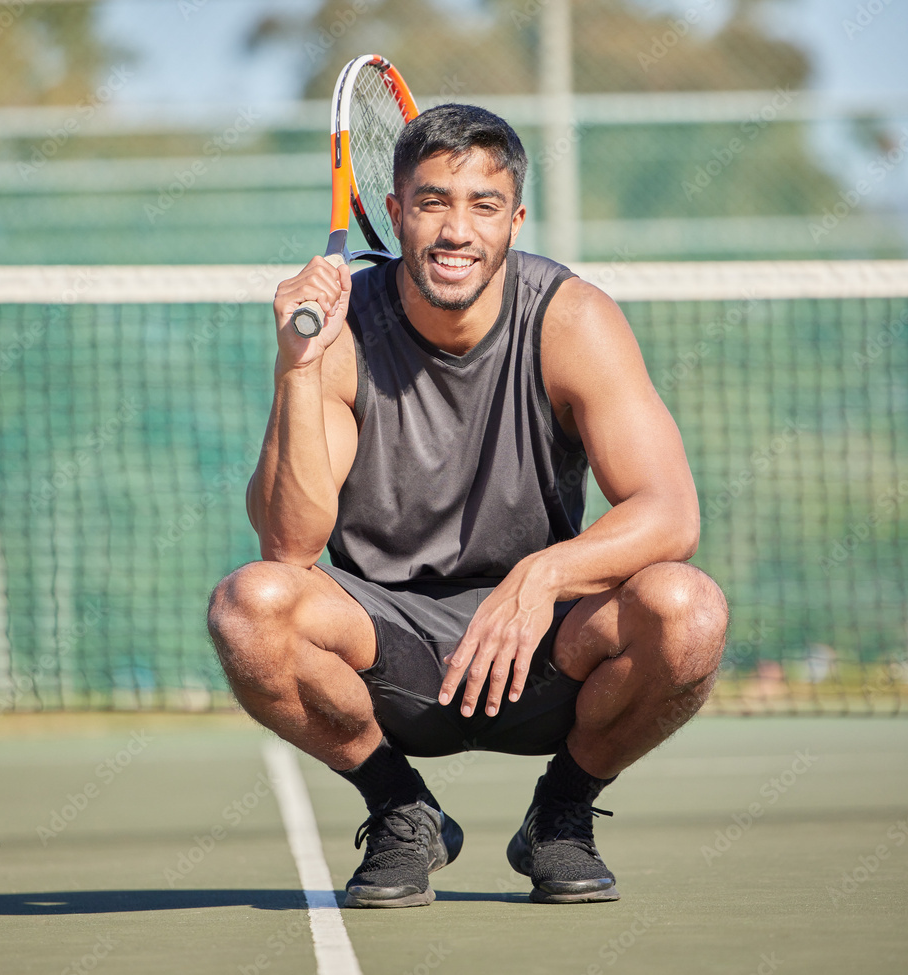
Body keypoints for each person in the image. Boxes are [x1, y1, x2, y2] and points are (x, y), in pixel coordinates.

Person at [207, 103, 728, 908]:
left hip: (546, 650)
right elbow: (289, 542)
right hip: (392, 652)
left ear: (515, 219)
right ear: (394, 213)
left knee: (687, 610)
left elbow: (671, 514)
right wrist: (297, 367)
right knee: (250, 606)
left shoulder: (572, 319)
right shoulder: (342, 335)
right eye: (432, 202)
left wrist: (542, 577)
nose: (457, 230)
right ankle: (400, 811)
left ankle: (563, 813)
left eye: (482, 205)